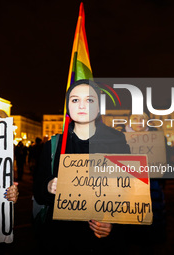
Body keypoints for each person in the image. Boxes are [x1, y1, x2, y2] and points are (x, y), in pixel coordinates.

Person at [33, 80, 130, 254]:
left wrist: (113, 223)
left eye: (90, 100)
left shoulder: (117, 141)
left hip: (99, 242)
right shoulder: (54, 145)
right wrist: (48, 186)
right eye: (75, 100)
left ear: (99, 108)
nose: (82, 106)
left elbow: (128, 191)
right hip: (60, 239)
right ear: (68, 107)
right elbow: (38, 191)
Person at [124, 114, 166, 252]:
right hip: (126, 191)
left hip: (152, 190)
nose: (139, 122)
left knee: (149, 237)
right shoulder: (119, 137)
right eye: (135, 118)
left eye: (143, 118)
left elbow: (166, 165)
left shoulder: (159, 138)